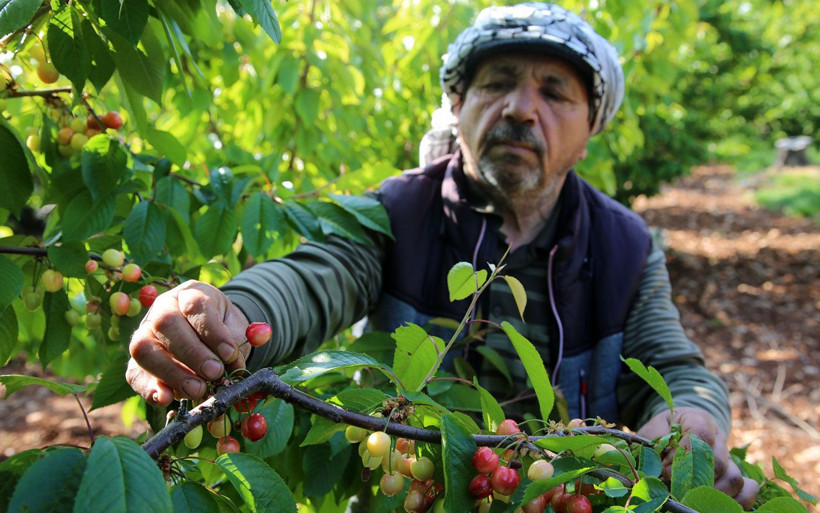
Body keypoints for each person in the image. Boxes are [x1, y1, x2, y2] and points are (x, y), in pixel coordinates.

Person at [126, 3, 758, 508]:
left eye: (555, 93)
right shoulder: (398, 212)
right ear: (459, 106)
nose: (520, 108)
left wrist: (691, 419)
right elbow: (316, 277)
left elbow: (674, 363)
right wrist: (229, 313)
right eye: (499, 84)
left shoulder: (626, 244)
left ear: (591, 129)